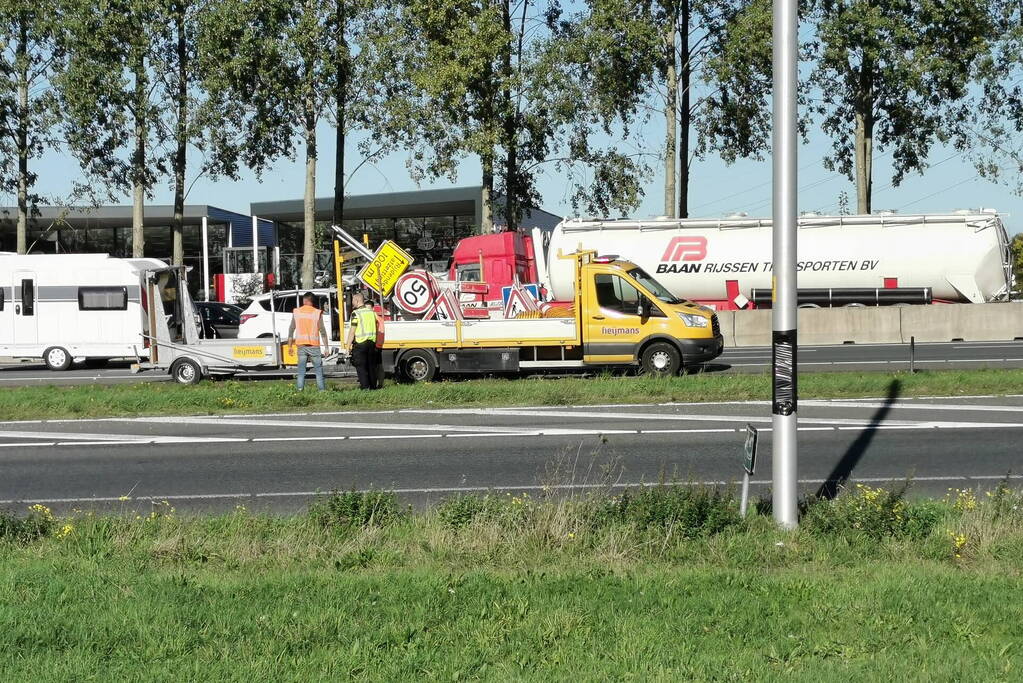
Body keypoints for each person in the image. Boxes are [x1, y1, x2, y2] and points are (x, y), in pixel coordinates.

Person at [286, 292, 329, 391]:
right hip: (314, 346)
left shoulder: (297, 312)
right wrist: (326, 347)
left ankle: (300, 390)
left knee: (301, 370)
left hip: (301, 345)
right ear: (312, 301)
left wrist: (289, 347)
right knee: (318, 370)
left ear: (305, 300)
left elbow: (291, 329)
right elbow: (322, 331)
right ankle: (322, 391)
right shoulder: (317, 312)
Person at [346, 292, 380, 390]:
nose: (352, 302)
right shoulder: (372, 313)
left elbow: (352, 332)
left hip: (360, 344)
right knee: (371, 367)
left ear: (357, 300)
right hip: (372, 343)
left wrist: (347, 347)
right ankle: (373, 387)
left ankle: (365, 388)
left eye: (353, 300)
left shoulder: (355, 314)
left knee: (361, 368)